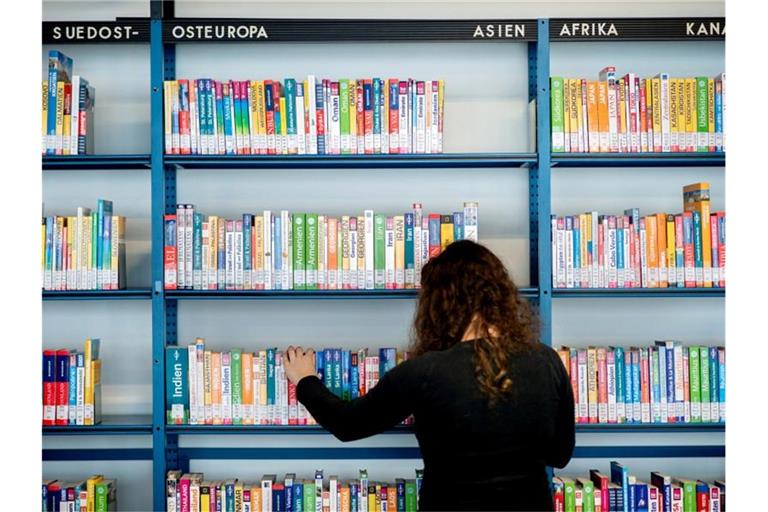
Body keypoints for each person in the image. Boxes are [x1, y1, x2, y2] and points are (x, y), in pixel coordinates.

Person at [284, 240, 575, 511]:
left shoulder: (426, 372)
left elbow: (347, 424)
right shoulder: (546, 360)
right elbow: (560, 455)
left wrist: (305, 380)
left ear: (440, 305)